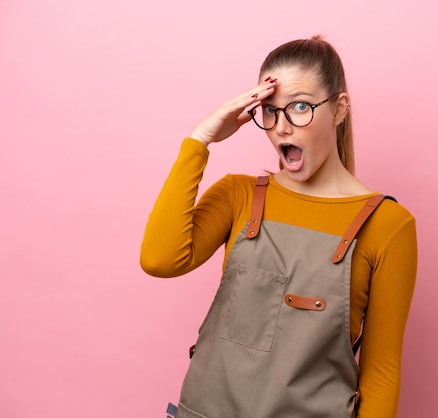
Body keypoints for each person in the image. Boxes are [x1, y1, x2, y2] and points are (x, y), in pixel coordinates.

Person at [140, 35, 417, 418]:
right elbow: (159, 260)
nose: (281, 127)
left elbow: (381, 371)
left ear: (339, 110)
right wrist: (200, 139)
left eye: (300, 106)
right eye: (270, 110)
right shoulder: (237, 195)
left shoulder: (387, 225)